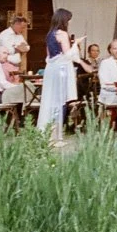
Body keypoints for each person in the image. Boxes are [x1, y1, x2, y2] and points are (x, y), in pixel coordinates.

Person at [37, 8, 82, 141]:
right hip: (61, 70)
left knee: (50, 100)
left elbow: (49, 56)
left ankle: (48, 133)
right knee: (60, 100)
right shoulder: (63, 34)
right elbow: (68, 55)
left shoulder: (50, 34)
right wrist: (76, 44)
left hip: (51, 69)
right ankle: (55, 136)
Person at [97, 39, 117, 108]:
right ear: (110, 50)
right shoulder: (105, 63)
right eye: (114, 49)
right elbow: (104, 84)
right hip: (110, 97)